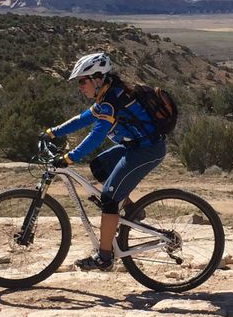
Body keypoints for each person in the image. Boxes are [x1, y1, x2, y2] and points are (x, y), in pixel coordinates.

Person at [41, 52, 167, 271]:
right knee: (99, 167)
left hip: (147, 151)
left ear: (98, 79)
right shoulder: (107, 98)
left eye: (83, 81)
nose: (80, 87)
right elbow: (83, 119)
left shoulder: (112, 101)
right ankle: (131, 210)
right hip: (135, 146)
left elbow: (96, 135)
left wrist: (70, 158)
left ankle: (104, 257)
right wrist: (53, 132)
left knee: (108, 199)